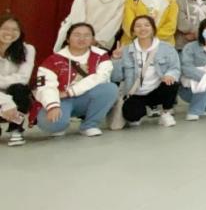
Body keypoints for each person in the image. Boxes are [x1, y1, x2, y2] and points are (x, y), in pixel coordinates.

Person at [34, 22, 118, 138]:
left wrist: (70, 92)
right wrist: (52, 105)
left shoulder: (101, 55)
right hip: (60, 100)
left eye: (87, 35)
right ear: (68, 39)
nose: (82, 39)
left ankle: (89, 125)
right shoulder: (53, 60)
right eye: (77, 35)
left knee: (110, 89)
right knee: (54, 125)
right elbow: (46, 86)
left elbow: (100, 78)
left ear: (93, 39)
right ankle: (61, 123)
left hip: (82, 97)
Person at [111, 15, 181, 128]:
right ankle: (144, 110)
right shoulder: (127, 50)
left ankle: (166, 113)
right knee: (132, 117)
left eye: (147, 25)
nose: (142, 28)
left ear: (153, 29)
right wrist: (116, 59)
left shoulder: (166, 48)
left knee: (172, 83)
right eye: (138, 26)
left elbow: (175, 68)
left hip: (157, 90)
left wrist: (169, 75)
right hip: (136, 93)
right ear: (133, 30)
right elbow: (116, 77)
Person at [0, 16, 34, 146]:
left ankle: (16, 129)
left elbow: (24, 78)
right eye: (5, 28)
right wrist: (6, 101)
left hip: (14, 93)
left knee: (20, 88)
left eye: (15, 29)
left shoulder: (28, 49)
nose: (10, 32)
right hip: (4, 99)